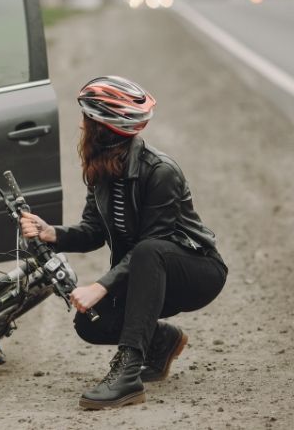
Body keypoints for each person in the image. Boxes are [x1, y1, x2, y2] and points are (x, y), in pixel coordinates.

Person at [19, 76, 228, 410]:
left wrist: (100, 286)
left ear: (104, 128)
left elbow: (155, 243)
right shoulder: (102, 168)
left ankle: (128, 375)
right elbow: (93, 231)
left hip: (195, 272)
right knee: (89, 323)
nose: (81, 125)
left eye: (87, 119)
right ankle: (161, 341)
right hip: (147, 271)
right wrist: (52, 233)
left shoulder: (160, 171)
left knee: (148, 250)